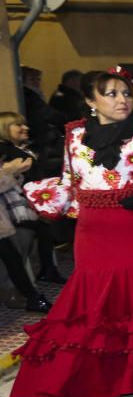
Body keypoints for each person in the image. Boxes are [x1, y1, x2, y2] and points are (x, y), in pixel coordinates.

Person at [10, 66, 133, 397]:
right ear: (90, 100)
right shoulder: (74, 135)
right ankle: (101, 373)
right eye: (112, 94)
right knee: (97, 292)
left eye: (126, 93)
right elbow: (72, 179)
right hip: (96, 226)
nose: (122, 100)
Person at [0, 112, 66, 285]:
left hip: (28, 201)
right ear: (4, 129)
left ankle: (47, 269)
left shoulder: (22, 148)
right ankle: (44, 271)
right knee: (44, 225)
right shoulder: (5, 152)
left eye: (24, 124)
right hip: (15, 207)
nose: (25, 128)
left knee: (48, 224)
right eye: (18, 125)